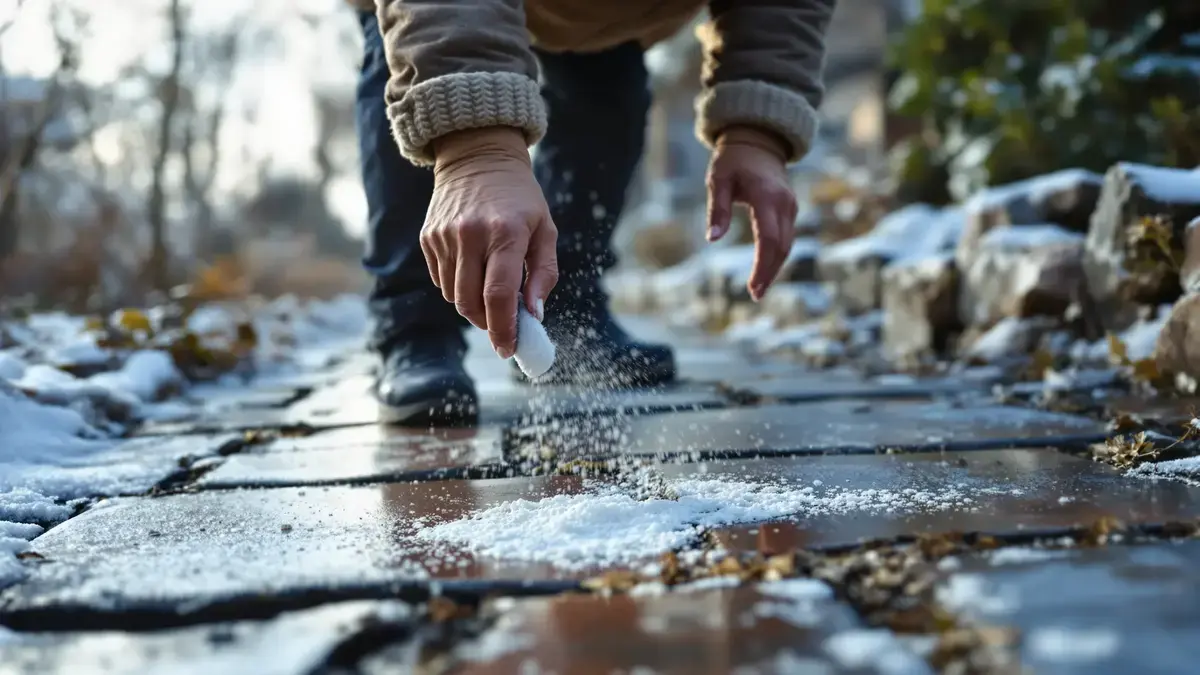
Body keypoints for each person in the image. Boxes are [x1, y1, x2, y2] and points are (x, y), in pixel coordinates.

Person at [350, 0, 836, 426]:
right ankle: (416, 330)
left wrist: (755, 128)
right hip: (433, 15)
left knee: (607, 94)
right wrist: (474, 151)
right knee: (410, 79)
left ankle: (566, 314)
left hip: (606, 15)